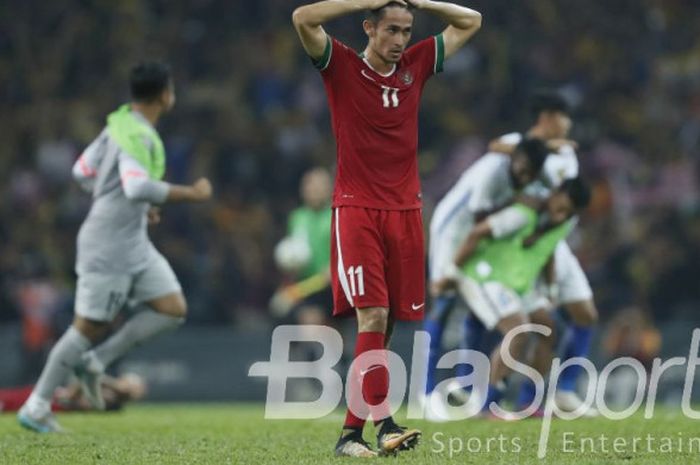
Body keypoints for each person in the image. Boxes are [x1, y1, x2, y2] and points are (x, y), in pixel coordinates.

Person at [292, 0, 482, 457]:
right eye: (391, 30)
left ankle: (350, 435)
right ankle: (386, 423)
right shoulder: (340, 65)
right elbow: (303, 18)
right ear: (369, 28)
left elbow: (471, 20)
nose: (400, 40)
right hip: (357, 210)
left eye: (406, 30)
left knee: (386, 324)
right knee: (372, 317)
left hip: (406, 211)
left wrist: (419, 3)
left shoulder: (416, 64)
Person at [18, 61, 213, 433]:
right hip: (108, 244)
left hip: (133, 242)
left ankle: (96, 362)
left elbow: (81, 172)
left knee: (172, 309)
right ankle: (37, 405)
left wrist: (126, 204)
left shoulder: (118, 126)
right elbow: (136, 187)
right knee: (88, 326)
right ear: (164, 95)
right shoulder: (137, 135)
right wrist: (190, 193)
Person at [487, 91, 599, 415]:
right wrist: (545, 148)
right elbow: (494, 147)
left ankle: (561, 391)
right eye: (565, 117)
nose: (569, 124)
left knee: (585, 315)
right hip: (526, 241)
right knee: (530, 324)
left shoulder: (569, 155)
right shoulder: (522, 142)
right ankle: (488, 396)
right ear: (548, 117)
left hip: (556, 241)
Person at [423, 138, 550, 419]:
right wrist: (518, 201)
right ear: (515, 159)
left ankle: (466, 386)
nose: (525, 177)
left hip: (475, 241)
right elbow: (480, 215)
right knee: (442, 304)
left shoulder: (522, 162)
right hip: (452, 232)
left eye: (531, 173)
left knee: (478, 311)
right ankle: (427, 391)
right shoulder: (492, 172)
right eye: (523, 169)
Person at [443, 178, 592, 414]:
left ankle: (528, 402)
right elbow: (477, 232)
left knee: (549, 330)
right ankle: (488, 405)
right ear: (555, 194)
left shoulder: (556, 222)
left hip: (521, 284)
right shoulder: (522, 213)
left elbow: (548, 251)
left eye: (569, 213)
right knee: (517, 330)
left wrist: (551, 289)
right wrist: (450, 272)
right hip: (491, 277)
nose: (562, 216)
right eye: (562, 208)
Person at [1, 373, 147, 413]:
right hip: (51, 393)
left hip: (54, 402)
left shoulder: (111, 402)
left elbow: (74, 396)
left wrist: (113, 385)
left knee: (7, 402)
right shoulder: (106, 389)